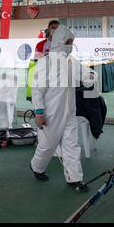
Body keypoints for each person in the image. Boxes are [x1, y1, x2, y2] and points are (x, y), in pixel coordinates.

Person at [30, 26, 96, 192]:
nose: (70, 45)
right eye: (68, 42)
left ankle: (74, 179)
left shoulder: (71, 61)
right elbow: (37, 89)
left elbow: (87, 75)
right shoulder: (45, 62)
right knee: (46, 147)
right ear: (59, 41)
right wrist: (38, 112)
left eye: (72, 42)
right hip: (50, 114)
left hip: (69, 113)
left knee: (72, 146)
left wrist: (91, 76)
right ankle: (37, 167)